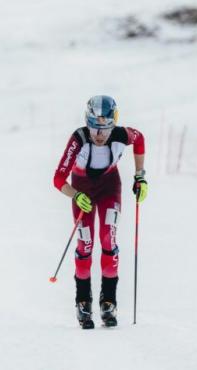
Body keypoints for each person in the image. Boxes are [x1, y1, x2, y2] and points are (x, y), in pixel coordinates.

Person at [53, 95, 148, 329]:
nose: (99, 135)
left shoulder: (121, 135)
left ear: (113, 125)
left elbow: (140, 139)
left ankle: (109, 302)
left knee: (108, 239)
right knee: (85, 246)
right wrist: (75, 194)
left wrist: (140, 176)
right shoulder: (79, 139)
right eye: (94, 127)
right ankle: (83, 302)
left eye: (104, 129)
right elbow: (57, 179)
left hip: (109, 186)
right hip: (81, 187)